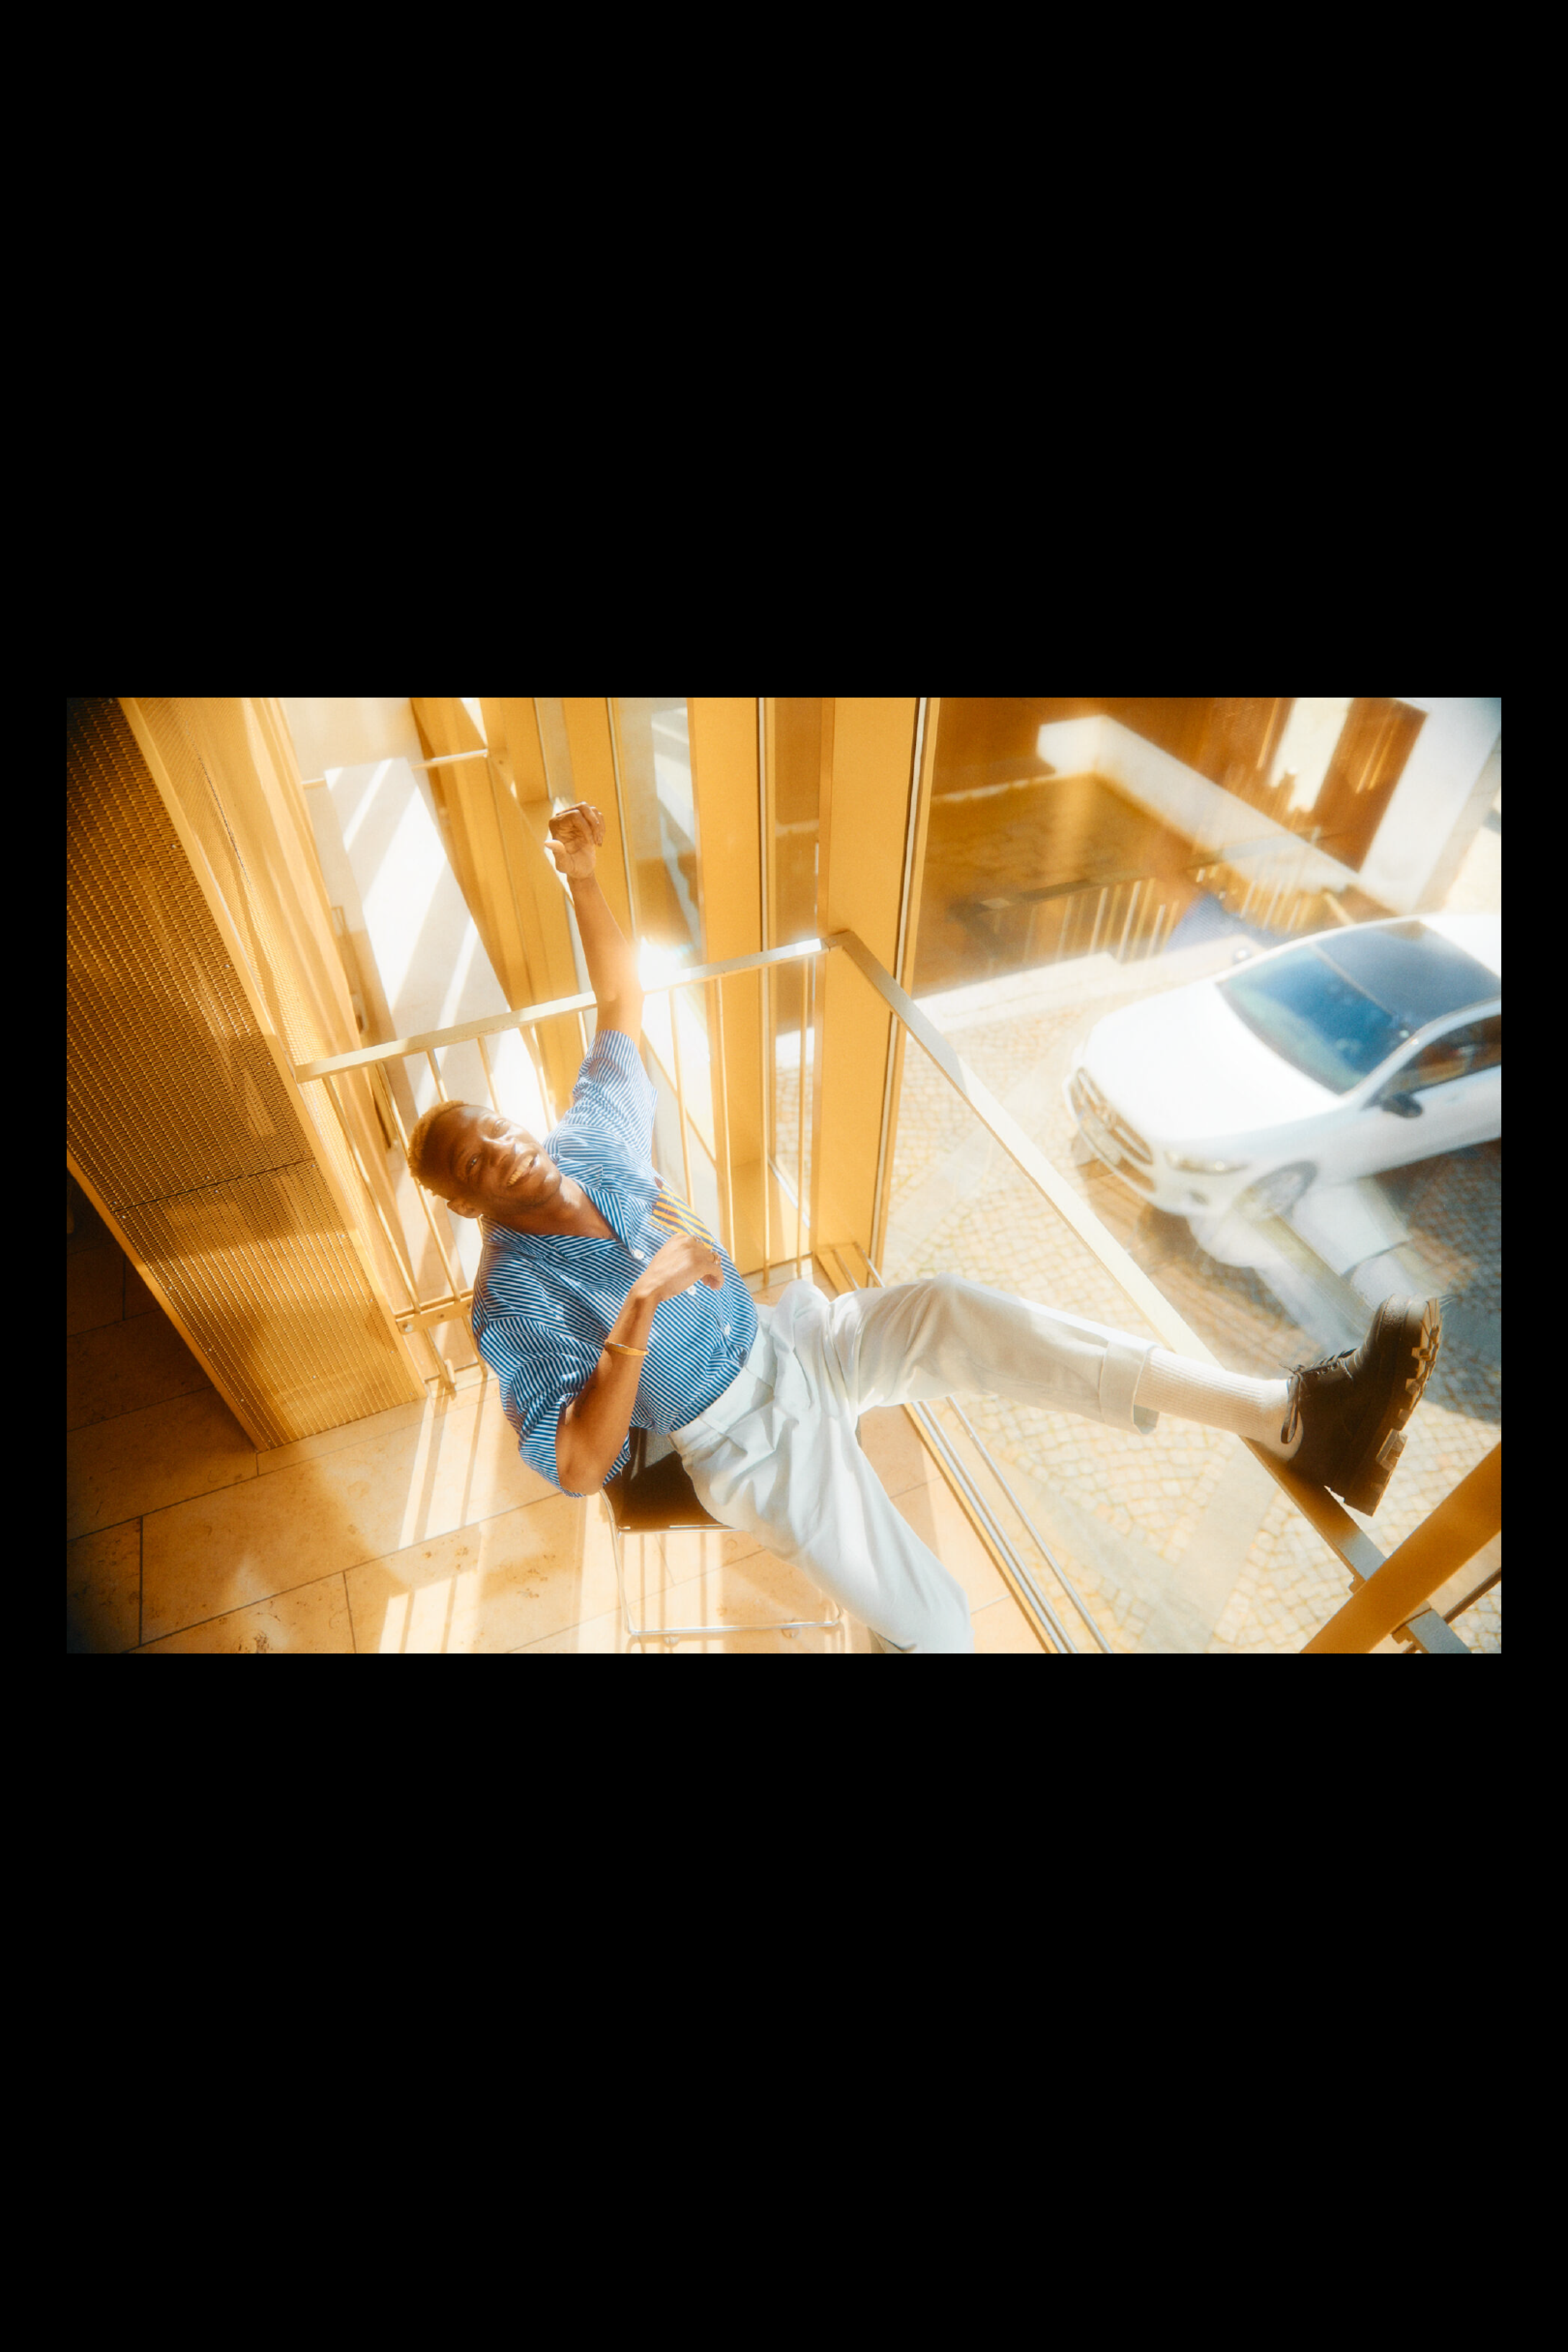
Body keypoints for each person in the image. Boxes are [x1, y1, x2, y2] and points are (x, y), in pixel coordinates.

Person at [406, 803, 1443, 1653]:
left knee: (965, 1314)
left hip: (791, 1336)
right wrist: (637, 1304)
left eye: (494, 1125)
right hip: (743, 1441)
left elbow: (623, 998)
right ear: (466, 1201)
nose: (502, 1148)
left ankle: (1295, 1420)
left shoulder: (588, 1137)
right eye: (474, 1162)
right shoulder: (510, 1299)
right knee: (943, 1625)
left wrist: (581, 875)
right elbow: (582, 1466)